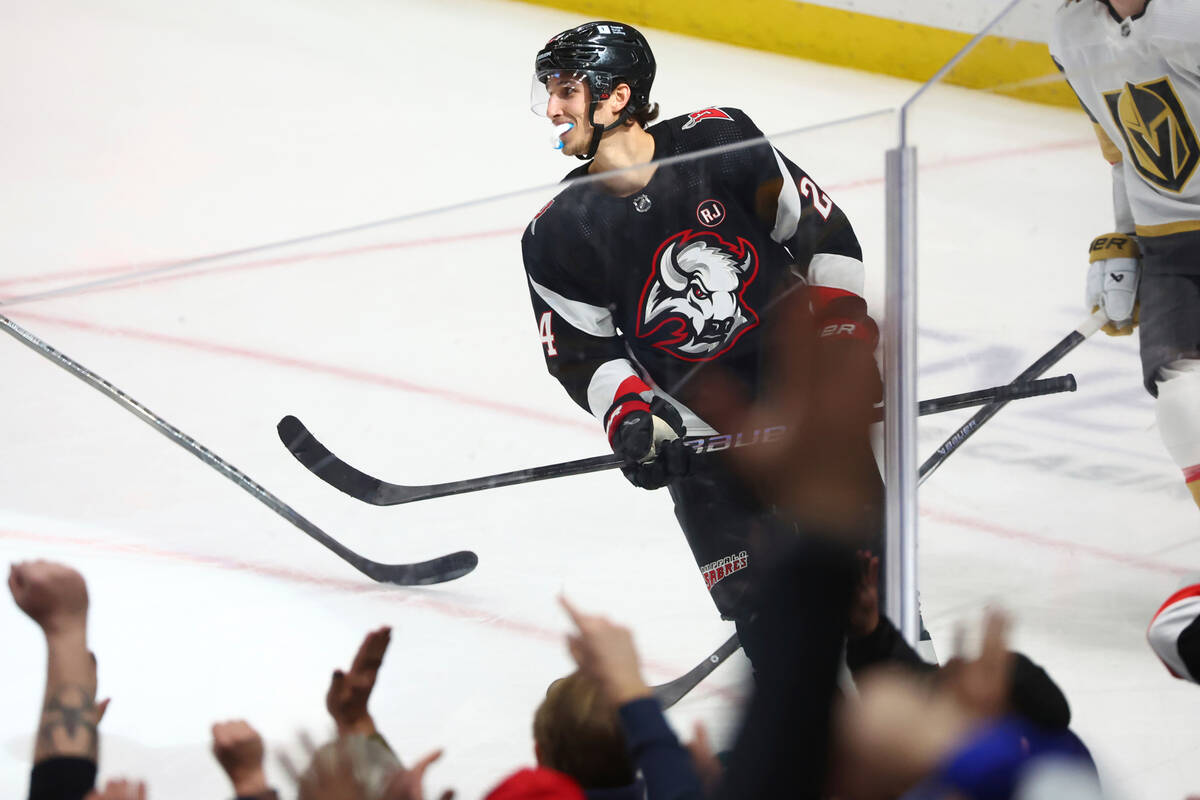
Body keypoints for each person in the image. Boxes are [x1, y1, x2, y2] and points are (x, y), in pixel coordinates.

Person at [521, 20, 883, 659]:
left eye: (568, 90)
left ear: (618, 96)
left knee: (876, 611)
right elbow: (582, 353)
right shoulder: (557, 232)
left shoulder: (721, 141)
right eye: (550, 90)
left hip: (808, 403)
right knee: (772, 640)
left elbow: (823, 236)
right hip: (700, 438)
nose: (552, 108)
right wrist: (632, 418)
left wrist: (842, 340)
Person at [1049, 0, 1200, 684]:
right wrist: (1122, 240)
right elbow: (1122, 146)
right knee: (1184, 407)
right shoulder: (1072, 32)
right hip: (1170, 247)